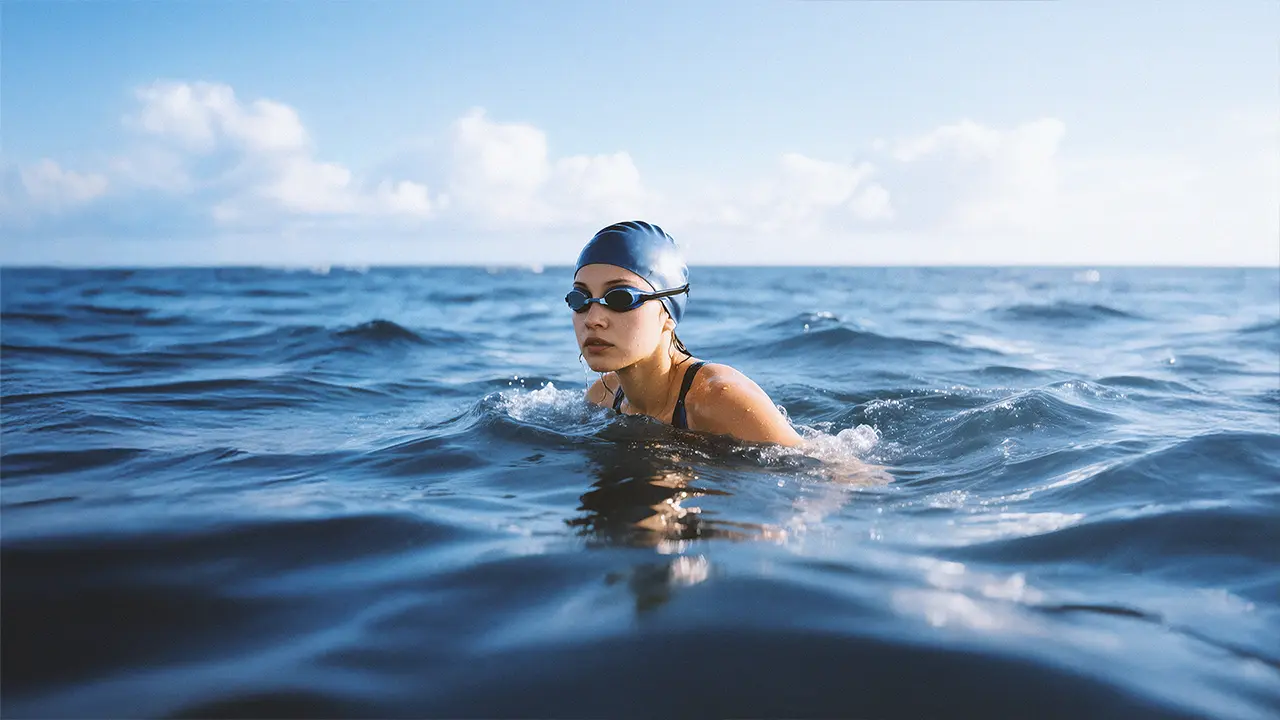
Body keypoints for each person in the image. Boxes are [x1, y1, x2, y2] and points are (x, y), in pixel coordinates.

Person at [568, 220, 804, 447]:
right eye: (580, 300)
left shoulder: (721, 400)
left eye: (620, 298)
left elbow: (822, 470)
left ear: (669, 313)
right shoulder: (602, 397)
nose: (592, 319)